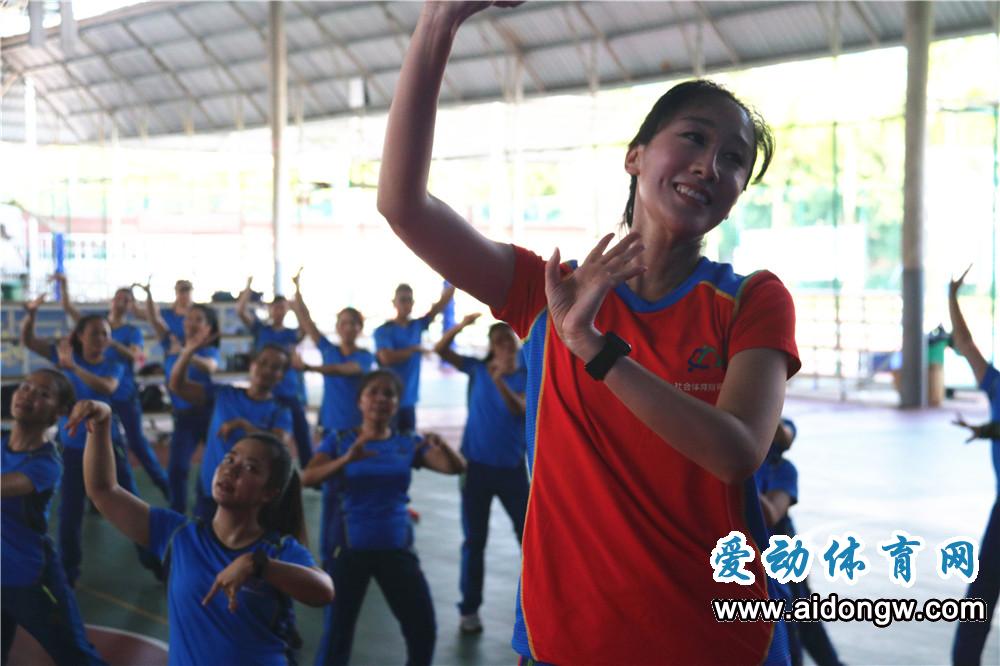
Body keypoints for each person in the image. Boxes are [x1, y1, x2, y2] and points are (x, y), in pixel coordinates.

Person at [377, 3, 799, 663]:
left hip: (716, 640)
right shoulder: (547, 291)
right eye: (692, 138)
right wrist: (438, 22)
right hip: (567, 635)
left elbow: (737, 451)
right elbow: (404, 206)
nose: (710, 165)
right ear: (636, 156)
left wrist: (597, 352)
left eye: (734, 159)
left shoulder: (751, 299)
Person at [74, 399, 334, 666]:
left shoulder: (277, 550)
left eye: (250, 467)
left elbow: (324, 591)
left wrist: (258, 566)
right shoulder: (178, 534)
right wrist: (102, 423)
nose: (231, 468)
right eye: (229, 458)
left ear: (270, 493)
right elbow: (103, 491)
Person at [302, 370, 466, 666]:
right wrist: (345, 461)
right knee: (337, 633)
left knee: (422, 629)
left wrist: (444, 447)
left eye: (388, 394)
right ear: (360, 401)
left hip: (396, 549)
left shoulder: (408, 442)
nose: (380, 399)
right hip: (349, 552)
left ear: (396, 403)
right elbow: (307, 476)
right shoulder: (339, 441)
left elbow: (454, 468)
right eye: (373, 392)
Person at [20, 296, 160, 586]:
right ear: (80, 335)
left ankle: (156, 563)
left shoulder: (113, 363)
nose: (101, 338)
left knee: (131, 503)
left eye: (106, 334)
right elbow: (29, 340)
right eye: (95, 332)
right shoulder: (66, 355)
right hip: (72, 448)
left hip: (109, 446)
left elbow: (106, 387)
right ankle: (68, 574)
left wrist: (72, 368)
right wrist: (31, 316)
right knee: (70, 513)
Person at [1, 369, 107, 666]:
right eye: (25, 387)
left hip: (31, 580)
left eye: (42, 393)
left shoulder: (47, 463)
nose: (28, 394)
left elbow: (6, 486)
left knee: (77, 657)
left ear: (60, 411)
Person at [433, 314, 528, 634]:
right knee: (474, 541)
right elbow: (441, 349)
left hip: (512, 470)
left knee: (528, 538)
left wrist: (500, 379)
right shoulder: (476, 369)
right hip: (476, 469)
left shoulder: (526, 375)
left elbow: (519, 409)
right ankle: (469, 609)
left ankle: (536, 601)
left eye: (508, 339)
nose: (505, 345)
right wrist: (460, 326)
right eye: (498, 341)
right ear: (491, 347)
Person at [53, 273, 170, 501]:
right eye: (119, 297)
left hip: (123, 394)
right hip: (94, 393)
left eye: (127, 299)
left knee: (136, 444)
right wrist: (64, 284)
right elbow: (68, 307)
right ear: (112, 300)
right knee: (82, 441)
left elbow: (137, 357)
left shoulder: (130, 332)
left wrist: (110, 340)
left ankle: (165, 486)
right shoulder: (94, 323)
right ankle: (94, 501)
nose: (121, 302)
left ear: (130, 305)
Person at [168, 328, 293, 522]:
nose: (267, 370)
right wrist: (188, 352)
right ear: (252, 365)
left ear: (281, 376)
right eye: (263, 363)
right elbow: (177, 385)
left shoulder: (279, 410)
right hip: (211, 488)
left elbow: (280, 442)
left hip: (249, 499)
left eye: (275, 367)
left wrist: (244, 426)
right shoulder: (225, 394)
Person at [756, 418, 843, 666]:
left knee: (798, 616)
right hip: (751, 551)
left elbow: (771, 513)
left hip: (781, 549)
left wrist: (742, 478)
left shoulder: (781, 469)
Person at [948, 264, 999, 666]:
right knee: (980, 595)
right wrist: (952, 296)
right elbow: (964, 342)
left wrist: (987, 431)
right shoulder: (996, 384)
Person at [139, 283, 221, 514]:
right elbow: (155, 320)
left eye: (198, 320)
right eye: (189, 318)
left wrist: (186, 354)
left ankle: (211, 511)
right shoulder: (172, 343)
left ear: (209, 329)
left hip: (208, 414)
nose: (191, 323)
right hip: (183, 416)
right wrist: (148, 295)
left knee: (215, 464)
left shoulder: (207, 351)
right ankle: (178, 512)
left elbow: (210, 367)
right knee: (177, 468)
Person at [237, 275, 312, 466]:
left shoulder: (291, 334)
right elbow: (240, 310)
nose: (279, 310)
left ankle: (310, 471)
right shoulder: (261, 329)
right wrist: (248, 287)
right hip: (265, 393)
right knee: (264, 437)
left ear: (287, 311)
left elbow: (307, 325)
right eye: (276, 307)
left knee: (301, 432)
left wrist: (298, 291)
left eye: (283, 307)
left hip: (289, 391)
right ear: (270, 309)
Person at [290, 271, 375, 437]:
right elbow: (307, 321)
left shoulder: (365, 356)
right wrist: (297, 289)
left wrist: (308, 367)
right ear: (337, 327)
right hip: (328, 423)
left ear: (360, 328)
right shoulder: (329, 349)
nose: (349, 327)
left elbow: (342, 369)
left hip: (356, 425)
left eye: (353, 323)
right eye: (344, 323)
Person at [373, 282, 454, 432]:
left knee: (408, 444)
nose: (406, 304)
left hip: (409, 400)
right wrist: (414, 349)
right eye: (402, 299)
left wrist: (454, 283)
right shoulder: (383, 330)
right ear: (394, 303)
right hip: (387, 401)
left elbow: (439, 306)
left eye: (409, 300)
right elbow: (386, 358)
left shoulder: (417, 325)